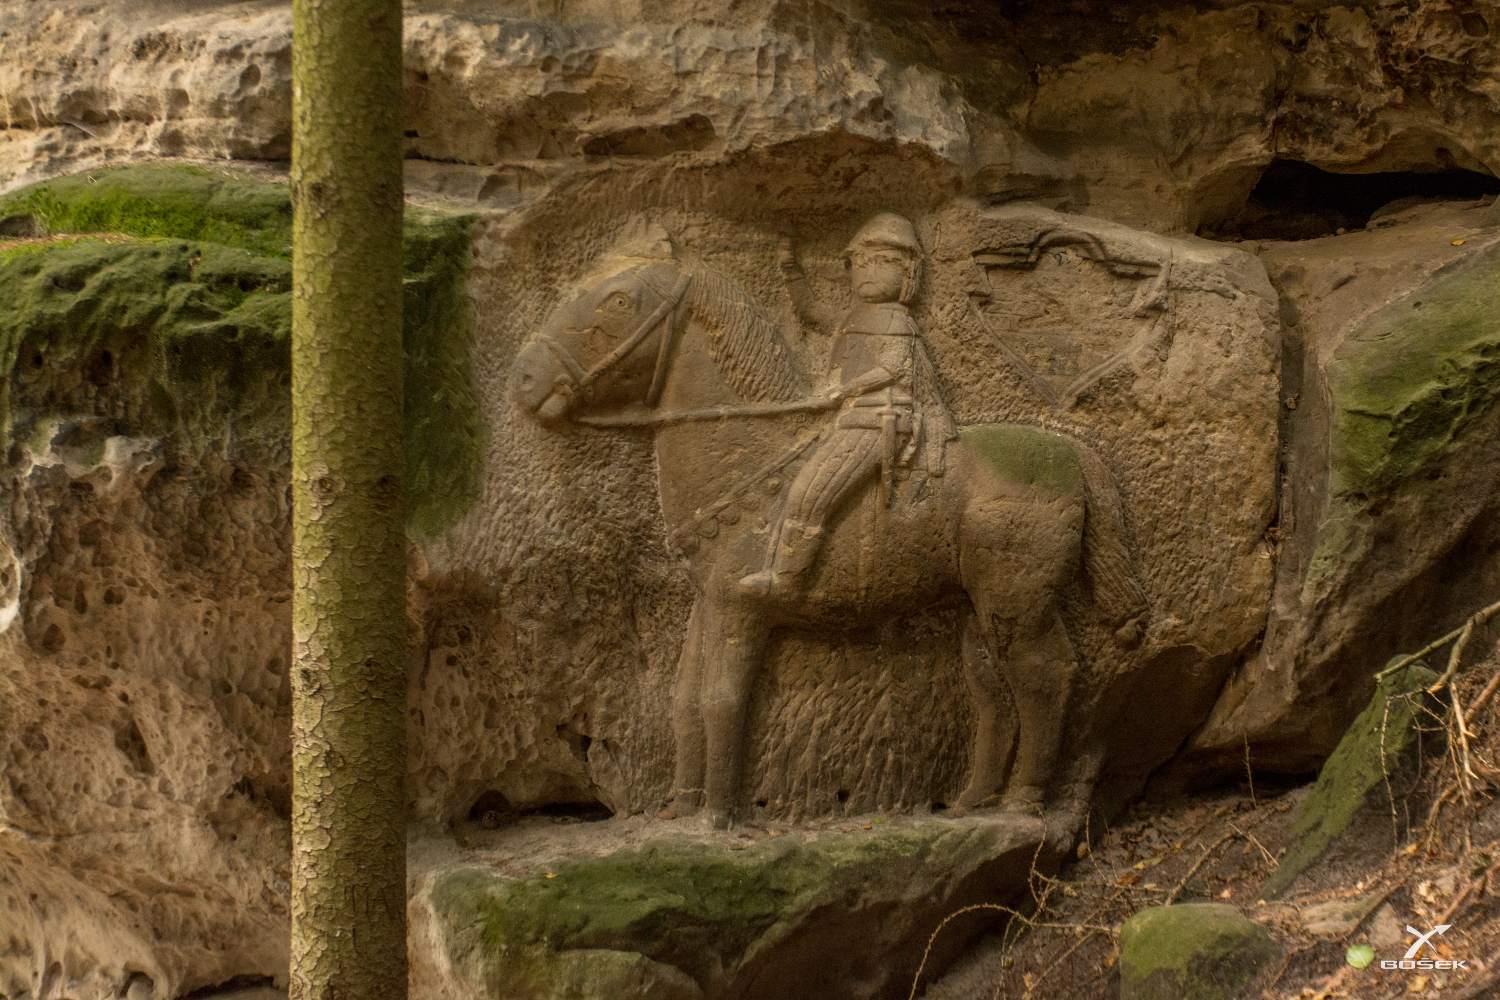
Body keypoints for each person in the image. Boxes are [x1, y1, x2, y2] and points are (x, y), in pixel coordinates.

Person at [738, 212, 956, 596]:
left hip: (879, 421)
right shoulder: (852, 317)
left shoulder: (896, 321)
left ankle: (787, 579)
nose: (870, 271)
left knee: (810, 489)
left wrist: (842, 391)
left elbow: (894, 367)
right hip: (851, 420)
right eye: (862, 262)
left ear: (908, 273)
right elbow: (810, 311)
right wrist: (790, 268)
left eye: (884, 262)